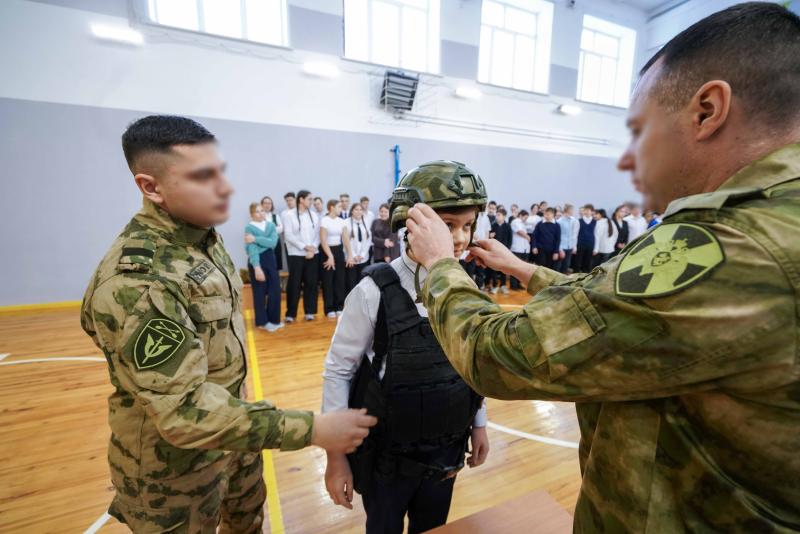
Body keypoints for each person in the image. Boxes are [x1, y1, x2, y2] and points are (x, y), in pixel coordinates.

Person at [404, 3, 800, 531]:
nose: (627, 159)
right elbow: (633, 318)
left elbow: (496, 355)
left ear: (708, 109)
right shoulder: (774, 221)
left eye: (639, 131)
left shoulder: (733, 244)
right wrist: (527, 271)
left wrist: (437, 265)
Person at [80, 115, 377, 533]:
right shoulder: (138, 282)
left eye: (221, 170)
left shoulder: (203, 236)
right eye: (203, 176)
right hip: (176, 473)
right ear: (151, 187)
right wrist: (314, 429)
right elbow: (183, 412)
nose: (225, 187)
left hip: (236, 439)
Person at [323, 161, 490, 534]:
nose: (460, 239)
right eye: (447, 226)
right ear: (408, 224)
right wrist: (336, 457)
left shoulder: (465, 291)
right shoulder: (372, 292)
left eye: (467, 226)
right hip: (386, 460)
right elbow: (339, 370)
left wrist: (478, 424)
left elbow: (472, 364)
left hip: (445, 453)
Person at [245, 202, 283, 332]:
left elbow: (272, 243)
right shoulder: (249, 228)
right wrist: (256, 267)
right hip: (257, 261)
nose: (261, 213)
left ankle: (274, 320)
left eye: (262, 211)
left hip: (270, 259)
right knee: (259, 293)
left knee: (275, 291)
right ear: (252, 214)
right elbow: (251, 248)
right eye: (257, 211)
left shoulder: (270, 225)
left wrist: (255, 239)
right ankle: (262, 322)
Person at [284, 189, 320, 322]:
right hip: (296, 254)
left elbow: (317, 235)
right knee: (294, 284)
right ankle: (290, 314)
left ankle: (310, 312)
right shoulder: (289, 215)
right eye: (310, 199)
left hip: (312, 254)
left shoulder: (315, 216)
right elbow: (288, 235)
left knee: (311, 283)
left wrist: (313, 248)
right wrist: (304, 247)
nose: (312, 202)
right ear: (301, 200)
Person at [320, 200, 351, 319]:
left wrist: (350, 255)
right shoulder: (324, 220)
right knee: (328, 281)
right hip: (326, 251)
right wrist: (330, 256)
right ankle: (329, 308)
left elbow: (345, 239)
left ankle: (339, 306)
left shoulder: (341, 221)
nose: (341, 208)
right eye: (339, 206)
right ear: (331, 207)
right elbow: (323, 240)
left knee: (340, 280)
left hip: (339, 251)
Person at [345, 203, 371, 293]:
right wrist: (354, 255)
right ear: (352, 211)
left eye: (360, 210)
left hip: (363, 258)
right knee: (351, 282)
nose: (359, 211)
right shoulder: (346, 222)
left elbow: (368, 240)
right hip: (352, 258)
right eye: (356, 209)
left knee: (362, 282)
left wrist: (362, 254)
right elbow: (346, 241)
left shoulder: (366, 221)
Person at [488, 208, 511, 294]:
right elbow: (489, 238)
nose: (497, 217)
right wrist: (490, 236)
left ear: (504, 216)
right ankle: (494, 286)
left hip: (504, 251)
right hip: (494, 251)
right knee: (494, 269)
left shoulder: (508, 226)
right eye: (496, 215)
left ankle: (503, 286)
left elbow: (510, 239)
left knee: (504, 269)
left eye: (499, 215)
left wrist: (508, 250)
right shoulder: (493, 226)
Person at [260, 195, 284, 271]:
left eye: (269, 203)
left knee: (276, 264)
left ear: (272, 205)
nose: (267, 205)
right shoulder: (258, 216)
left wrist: (268, 229)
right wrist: (273, 228)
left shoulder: (276, 216)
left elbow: (281, 229)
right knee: (264, 264)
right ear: (262, 205)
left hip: (276, 243)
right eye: (265, 203)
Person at [509, 209, 530, 289]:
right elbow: (519, 231)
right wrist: (527, 237)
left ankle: (518, 284)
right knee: (515, 268)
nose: (526, 219)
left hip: (523, 249)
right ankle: (513, 285)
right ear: (521, 215)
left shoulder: (522, 223)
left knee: (521, 268)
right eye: (525, 217)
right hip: (517, 248)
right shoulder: (515, 222)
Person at [556, 203, 578, 273]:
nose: (573, 211)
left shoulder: (574, 220)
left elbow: (574, 235)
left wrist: (574, 246)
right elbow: (557, 237)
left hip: (570, 247)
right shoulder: (559, 221)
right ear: (567, 210)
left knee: (566, 266)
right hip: (561, 247)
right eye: (572, 209)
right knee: (558, 267)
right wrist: (560, 249)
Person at [574, 204, 596, 273]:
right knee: (578, 262)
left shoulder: (595, 222)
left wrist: (596, 248)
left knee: (587, 262)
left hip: (590, 244)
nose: (586, 212)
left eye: (588, 210)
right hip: (580, 244)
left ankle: (586, 277)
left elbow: (596, 235)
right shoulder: (579, 221)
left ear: (592, 212)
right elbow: (575, 234)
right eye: (585, 210)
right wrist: (574, 246)